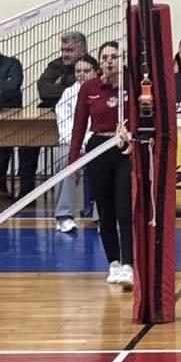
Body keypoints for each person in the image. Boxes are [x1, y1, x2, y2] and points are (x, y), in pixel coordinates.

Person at [68, 41, 133, 289]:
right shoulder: (90, 87)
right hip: (98, 148)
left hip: (123, 148)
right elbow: (79, 124)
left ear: (122, 59)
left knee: (124, 211)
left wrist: (132, 134)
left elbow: (141, 114)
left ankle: (128, 264)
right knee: (105, 212)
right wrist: (73, 160)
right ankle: (113, 262)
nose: (109, 61)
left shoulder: (131, 84)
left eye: (114, 57)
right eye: (104, 57)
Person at [51, 54, 99, 234]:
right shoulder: (68, 94)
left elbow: (100, 123)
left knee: (108, 162)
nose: (81, 74)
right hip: (71, 143)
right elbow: (63, 124)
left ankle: (103, 217)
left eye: (86, 71)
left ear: (96, 72)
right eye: (78, 71)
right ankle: (64, 216)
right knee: (65, 160)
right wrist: (76, 145)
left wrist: (87, 142)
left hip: (95, 142)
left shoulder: (102, 91)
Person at [0, 36, 32, 203]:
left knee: (4, 141)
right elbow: (6, 86)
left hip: (7, 114)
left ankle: (0, 180)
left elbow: (12, 86)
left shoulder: (12, 63)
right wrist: (0, 85)